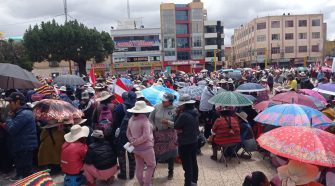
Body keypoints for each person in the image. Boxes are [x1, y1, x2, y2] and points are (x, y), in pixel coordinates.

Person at [1, 92, 38, 180]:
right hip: (20, 145)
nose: (9, 105)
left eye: (11, 102)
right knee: (20, 165)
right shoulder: (19, 113)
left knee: (26, 171)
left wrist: (9, 118)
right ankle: (19, 175)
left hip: (25, 146)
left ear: (17, 102)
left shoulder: (24, 114)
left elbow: (12, 129)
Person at [126, 101, 156, 186]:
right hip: (146, 148)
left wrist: (133, 141)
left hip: (136, 149)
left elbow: (128, 133)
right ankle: (146, 183)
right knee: (151, 165)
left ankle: (141, 183)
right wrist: (136, 142)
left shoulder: (131, 119)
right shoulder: (144, 120)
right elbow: (146, 136)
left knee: (139, 166)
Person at [149, 93, 177, 180]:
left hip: (170, 135)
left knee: (171, 154)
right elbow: (150, 118)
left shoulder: (176, 110)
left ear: (170, 102)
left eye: (165, 101)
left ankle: (170, 172)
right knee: (155, 154)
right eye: (162, 100)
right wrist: (153, 127)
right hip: (158, 134)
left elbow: (177, 124)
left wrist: (168, 123)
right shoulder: (157, 106)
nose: (162, 102)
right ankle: (151, 172)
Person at [174, 94, 199, 186]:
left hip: (185, 142)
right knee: (193, 162)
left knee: (187, 166)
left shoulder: (183, 115)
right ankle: (194, 181)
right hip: (193, 141)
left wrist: (177, 114)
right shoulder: (195, 111)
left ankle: (187, 183)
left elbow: (176, 125)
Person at [111, 91, 136, 180]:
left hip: (121, 135)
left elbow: (114, 123)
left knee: (121, 155)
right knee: (131, 154)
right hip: (132, 136)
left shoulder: (119, 107)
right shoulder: (137, 108)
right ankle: (132, 173)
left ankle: (123, 174)